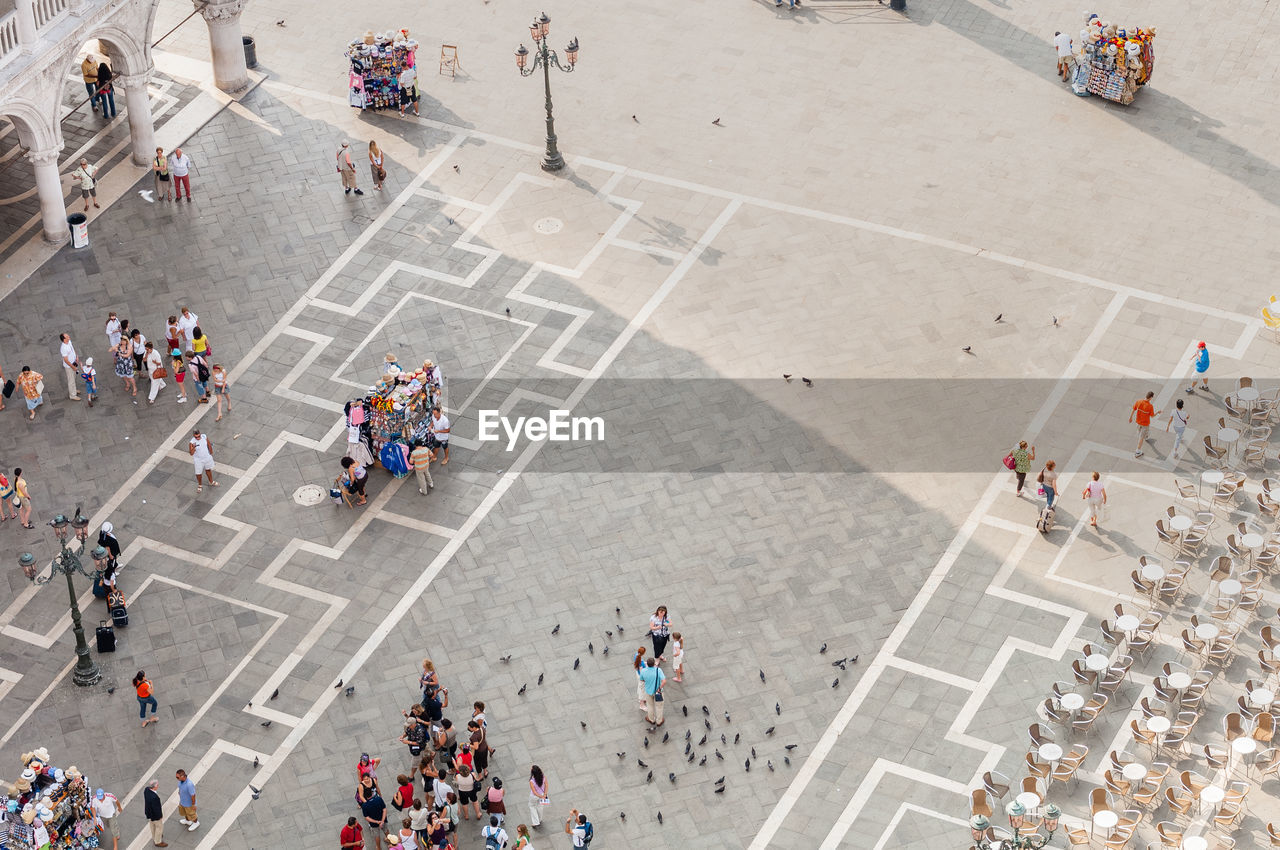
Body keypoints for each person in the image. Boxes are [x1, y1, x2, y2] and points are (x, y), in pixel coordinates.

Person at [1128, 390, 1160, 458]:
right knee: (1141, 437)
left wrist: (1130, 417)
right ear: (1151, 398)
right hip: (1145, 424)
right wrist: (1158, 412)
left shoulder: (1139, 401)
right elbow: (1152, 416)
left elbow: (1133, 409)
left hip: (1138, 422)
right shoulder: (1150, 406)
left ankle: (1145, 436)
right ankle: (1138, 451)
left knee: (1141, 434)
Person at [638, 657, 665, 727]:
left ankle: (651, 719)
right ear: (654, 664)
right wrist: (659, 688)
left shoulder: (643, 671)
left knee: (650, 706)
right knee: (659, 706)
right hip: (658, 692)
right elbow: (664, 681)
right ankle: (659, 721)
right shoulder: (658, 670)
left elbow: (642, 679)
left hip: (648, 691)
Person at [57, 332, 82, 401]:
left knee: (73, 377)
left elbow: (73, 349)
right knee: (71, 380)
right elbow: (66, 360)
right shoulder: (63, 348)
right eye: (67, 336)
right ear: (64, 339)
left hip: (74, 362)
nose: (69, 336)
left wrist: (76, 356)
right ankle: (73, 395)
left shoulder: (69, 341)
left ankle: (73, 390)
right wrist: (73, 367)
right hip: (69, 366)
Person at [143, 779, 167, 847]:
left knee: (152, 826)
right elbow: (156, 809)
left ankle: (154, 837)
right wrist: (160, 815)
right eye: (157, 785)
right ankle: (158, 841)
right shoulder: (154, 797)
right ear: (154, 787)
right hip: (155, 815)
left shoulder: (146, 790)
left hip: (149, 813)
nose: (158, 785)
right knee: (159, 827)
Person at [632, 646, 647, 710]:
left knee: (640, 687)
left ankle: (641, 699)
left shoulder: (636, 655)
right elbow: (642, 672)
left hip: (637, 673)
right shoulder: (641, 662)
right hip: (641, 677)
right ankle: (641, 704)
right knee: (642, 690)